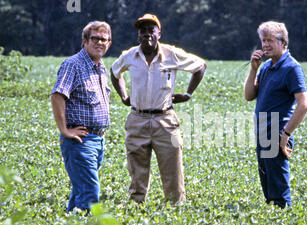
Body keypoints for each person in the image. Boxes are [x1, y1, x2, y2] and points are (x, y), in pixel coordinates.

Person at [111, 14, 206, 205]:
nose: (147, 34)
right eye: (142, 30)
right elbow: (114, 73)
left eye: (151, 30)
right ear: (138, 34)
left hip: (165, 119)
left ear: (159, 33)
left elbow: (200, 66)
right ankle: (137, 206)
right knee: (137, 169)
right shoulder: (129, 56)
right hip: (137, 118)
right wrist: (123, 97)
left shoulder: (172, 54)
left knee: (172, 167)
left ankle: (175, 207)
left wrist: (187, 94)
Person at [244, 21, 307, 209]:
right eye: (263, 41)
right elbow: (249, 96)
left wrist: (285, 135)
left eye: (270, 41)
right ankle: (274, 223)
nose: (265, 45)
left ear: (283, 42)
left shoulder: (292, 68)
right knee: (268, 186)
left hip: (277, 132)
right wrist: (253, 69)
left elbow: (304, 105)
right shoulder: (265, 67)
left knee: (279, 191)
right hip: (263, 131)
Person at [51, 21, 112, 213]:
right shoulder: (73, 64)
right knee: (90, 194)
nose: (100, 43)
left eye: (104, 39)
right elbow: (58, 95)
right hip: (80, 141)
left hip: (97, 140)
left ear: (109, 43)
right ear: (84, 41)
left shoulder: (100, 67)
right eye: (95, 38)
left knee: (80, 192)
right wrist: (64, 129)